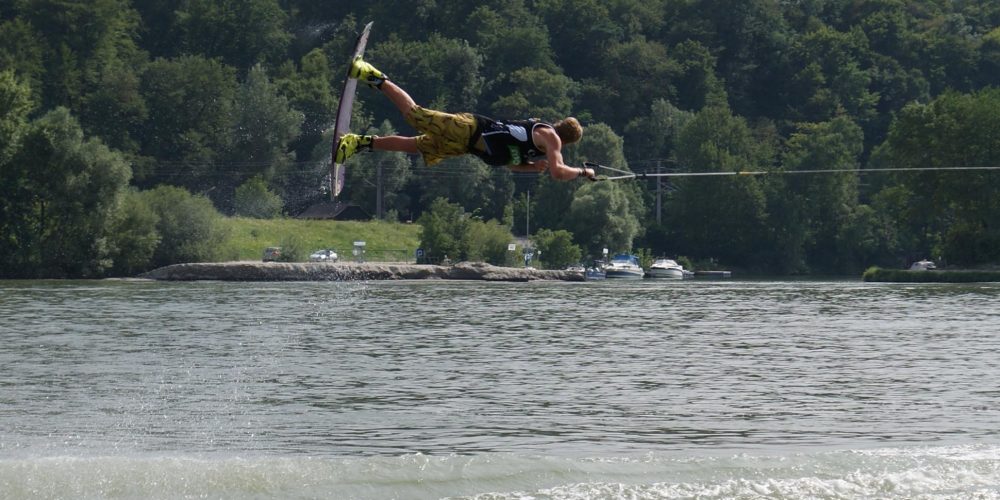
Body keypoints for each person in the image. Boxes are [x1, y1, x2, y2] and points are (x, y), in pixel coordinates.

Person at [335, 56, 597, 181]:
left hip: (465, 146)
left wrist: (531, 167)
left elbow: (511, 164)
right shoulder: (550, 137)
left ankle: (357, 143)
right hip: (470, 129)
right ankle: (371, 75)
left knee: (414, 146)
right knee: (416, 115)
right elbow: (560, 173)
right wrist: (584, 172)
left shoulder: (533, 147)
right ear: (566, 141)